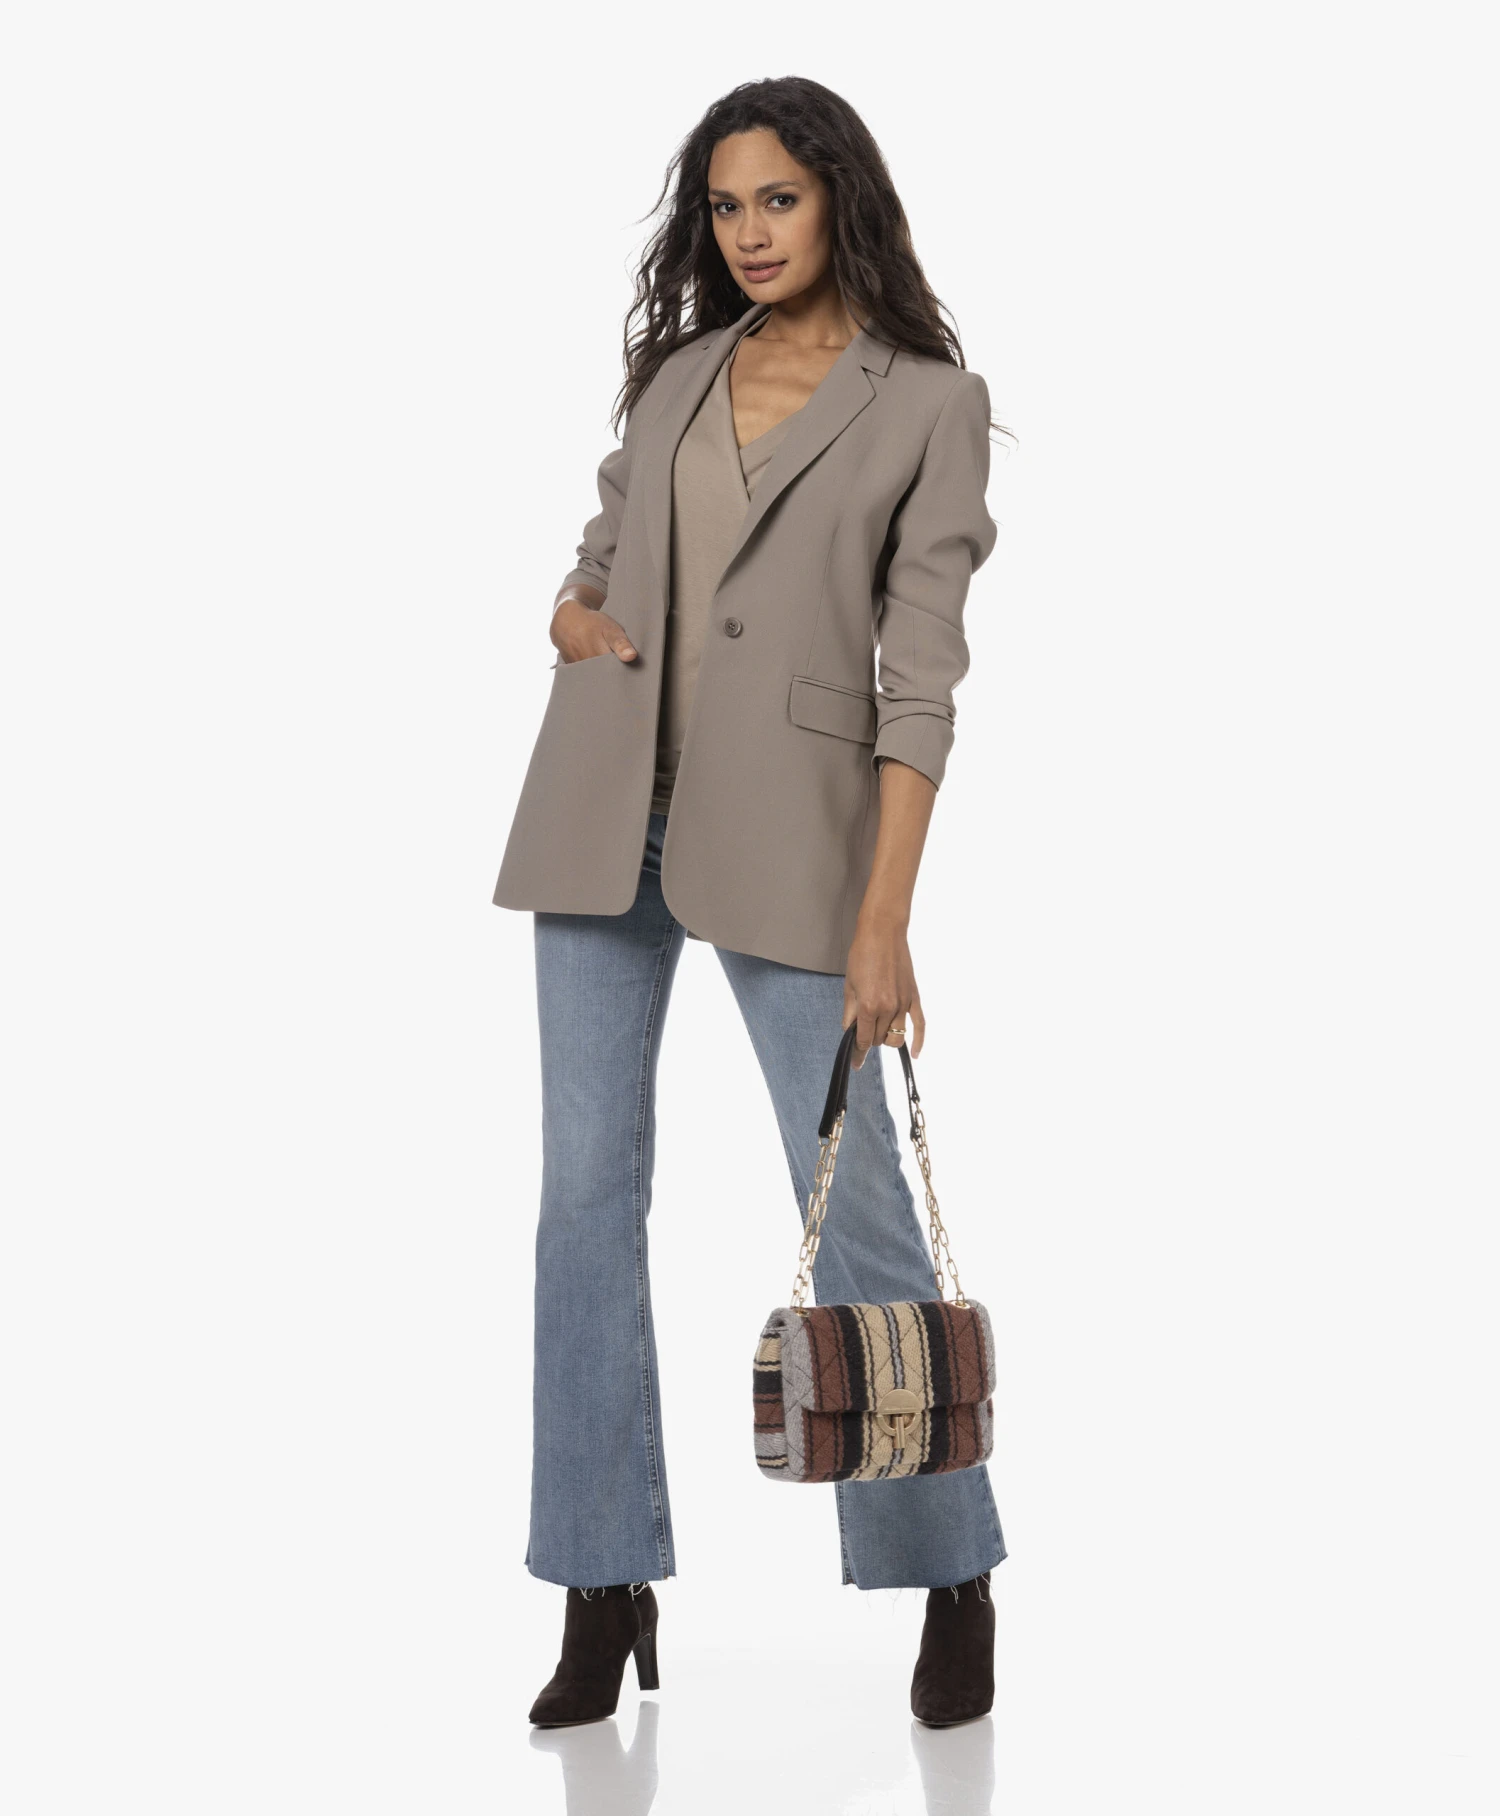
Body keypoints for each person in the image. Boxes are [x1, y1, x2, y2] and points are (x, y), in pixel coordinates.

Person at [492, 75, 1007, 1729]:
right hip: (603, 815)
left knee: (853, 1206)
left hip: (794, 840)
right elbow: (601, 548)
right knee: (583, 1203)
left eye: (778, 198)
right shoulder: (679, 375)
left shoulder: (926, 403)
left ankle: (948, 1565)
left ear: (841, 196)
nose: (749, 233)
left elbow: (921, 685)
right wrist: (575, 616)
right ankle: (600, 1579)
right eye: (726, 207)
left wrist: (885, 918)